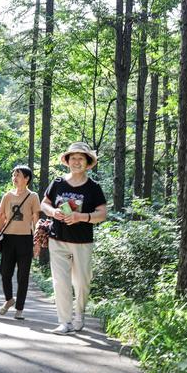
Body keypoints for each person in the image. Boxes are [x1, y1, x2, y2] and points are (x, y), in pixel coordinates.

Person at [40, 142, 107, 334]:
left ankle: (80, 314)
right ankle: (65, 322)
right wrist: (53, 212)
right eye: (73, 158)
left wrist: (81, 217)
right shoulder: (58, 183)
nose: (77, 162)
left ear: (87, 162)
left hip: (82, 241)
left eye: (81, 158)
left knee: (82, 282)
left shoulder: (93, 187)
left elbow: (102, 214)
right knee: (60, 281)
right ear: (67, 161)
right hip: (57, 238)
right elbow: (44, 203)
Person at [0, 165, 40, 320]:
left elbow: (35, 220)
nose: (15, 177)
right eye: (13, 175)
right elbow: (1, 218)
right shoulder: (7, 196)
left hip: (25, 239)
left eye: (18, 175)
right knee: (4, 272)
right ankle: (9, 300)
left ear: (26, 179)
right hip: (8, 238)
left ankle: (19, 308)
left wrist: (36, 241)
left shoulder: (33, 196)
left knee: (23, 275)